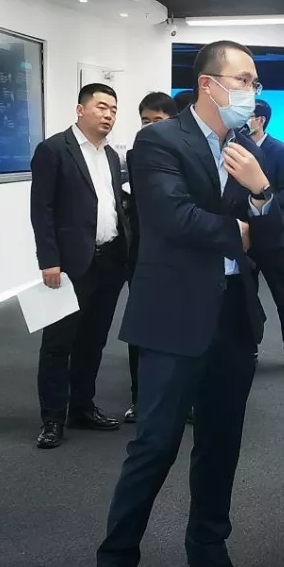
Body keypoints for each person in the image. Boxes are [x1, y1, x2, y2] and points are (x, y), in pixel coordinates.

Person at [80, 40, 278, 567]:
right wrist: (244, 226)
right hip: (173, 317)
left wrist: (262, 194)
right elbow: (171, 218)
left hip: (233, 317)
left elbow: (275, 228)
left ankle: (208, 560)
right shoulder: (159, 140)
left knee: (221, 444)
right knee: (155, 446)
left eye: (255, 81)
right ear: (209, 84)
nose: (252, 90)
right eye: (243, 79)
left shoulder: (246, 150)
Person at [30, 83, 131, 449]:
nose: (108, 115)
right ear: (80, 109)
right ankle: (53, 418)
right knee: (58, 344)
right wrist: (49, 260)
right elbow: (41, 209)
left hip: (109, 261)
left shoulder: (111, 156)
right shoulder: (54, 150)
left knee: (93, 340)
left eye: (113, 109)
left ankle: (82, 407)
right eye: (102, 107)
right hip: (70, 265)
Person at [123, 92, 178, 424]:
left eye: (158, 121)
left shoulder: (190, 155)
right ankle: (139, 398)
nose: (150, 127)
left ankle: (181, 399)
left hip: (181, 256)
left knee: (180, 328)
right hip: (143, 255)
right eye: (145, 121)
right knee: (141, 329)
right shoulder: (133, 156)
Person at [247, 99, 284, 371]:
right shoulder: (235, 148)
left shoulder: (281, 150)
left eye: (248, 115)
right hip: (243, 236)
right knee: (245, 296)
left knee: (283, 296)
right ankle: (249, 347)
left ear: (261, 120)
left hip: (273, 237)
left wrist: (259, 199)